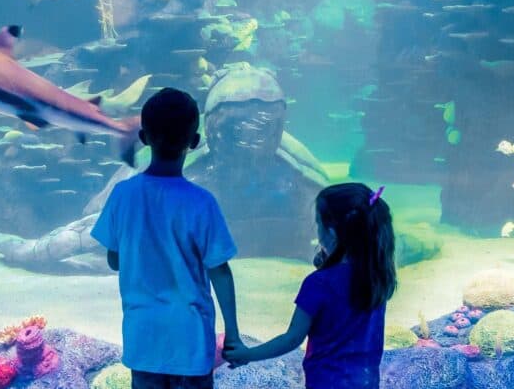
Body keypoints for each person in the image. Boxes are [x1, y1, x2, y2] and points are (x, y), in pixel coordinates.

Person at [90, 88, 244, 388]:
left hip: (143, 334)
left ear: (144, 137)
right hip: (191, 336)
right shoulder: (202, 202)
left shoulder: (122, 195)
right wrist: (233, 332)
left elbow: (113, 259)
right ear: (195, 141)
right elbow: (220, 271)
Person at [221, 183, 396, 389]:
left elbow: (292, 339)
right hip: (366, 382)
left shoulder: (319, 283)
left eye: (318, 223)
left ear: (331, 232)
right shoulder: (377, 277)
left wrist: (248, 354)